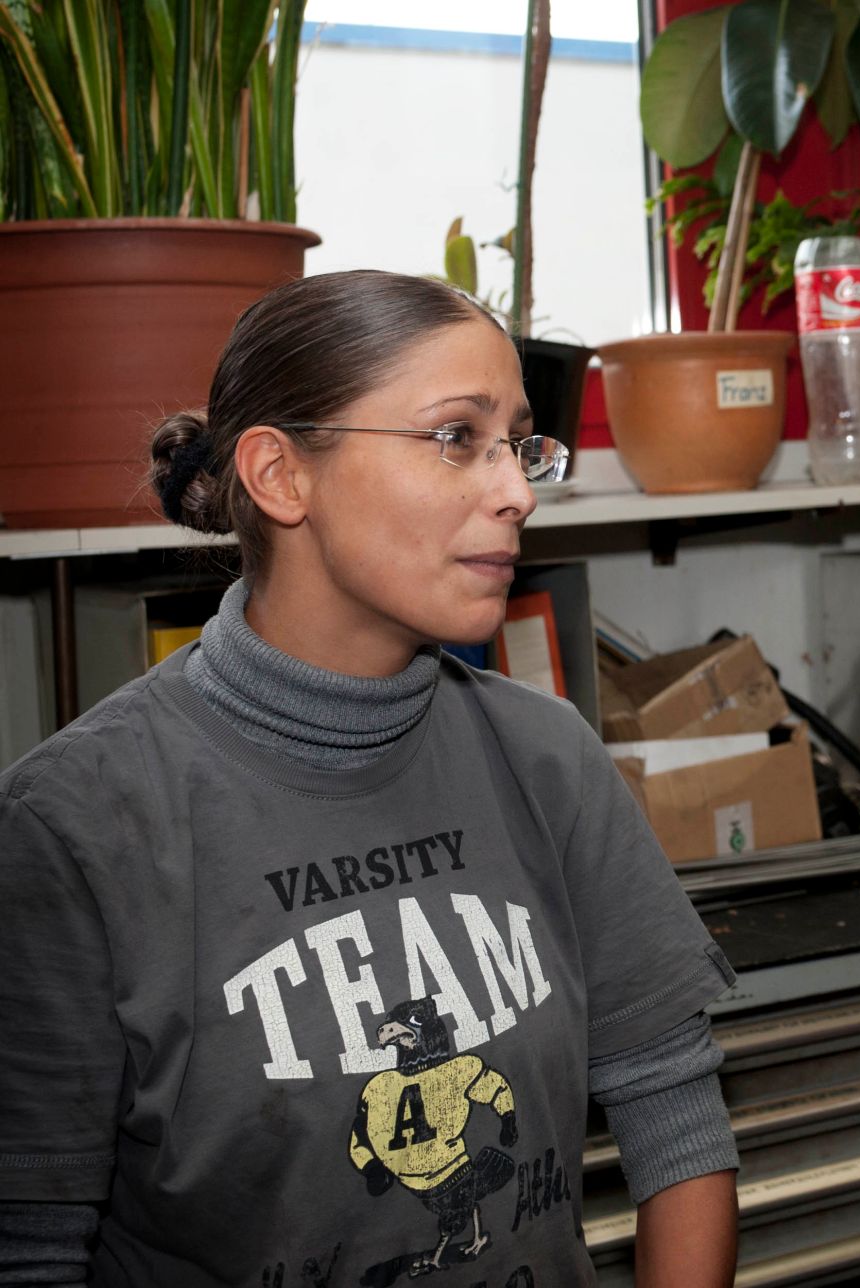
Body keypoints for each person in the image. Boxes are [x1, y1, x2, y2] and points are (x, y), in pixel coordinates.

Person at [0, 270, 740, 1287]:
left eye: (519, 443)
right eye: (454, 437)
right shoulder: (73, 828)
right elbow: (30, 1246)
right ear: (279, 474)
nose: (516, 488)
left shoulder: (548, 758)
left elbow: (675, 1113)